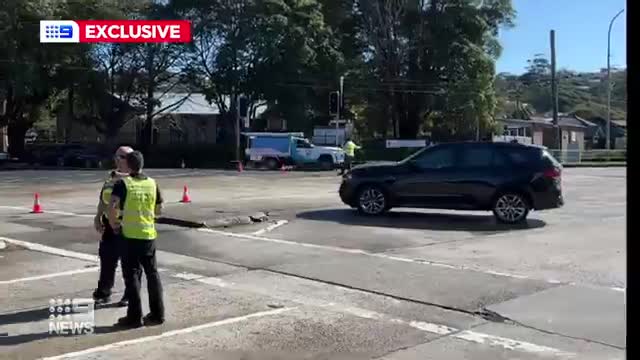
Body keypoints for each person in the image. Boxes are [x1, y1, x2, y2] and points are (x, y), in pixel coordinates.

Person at [108, 151, 165, 328]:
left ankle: (134, 316)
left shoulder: (122, 184)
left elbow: (112, 207)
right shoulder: (152, 183)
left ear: (128, 165)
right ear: (142, 164)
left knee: (132, 276)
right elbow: (159, 210)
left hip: (129, 235)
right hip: (148, 235)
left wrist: (114, 224)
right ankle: (158, 313)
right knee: (152, 274)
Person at [92, 146, 133, 307]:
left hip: (126, 226)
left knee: (128, 263)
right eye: (117, 156)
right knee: (107, 259)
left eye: (122, 157)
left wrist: (119, 177)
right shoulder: (111, 177)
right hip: (109, 225)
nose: (118, 159)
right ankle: (104, 292)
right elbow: (103, 199)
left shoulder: (135, 178)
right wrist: (97, 217)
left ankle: (129, 294)